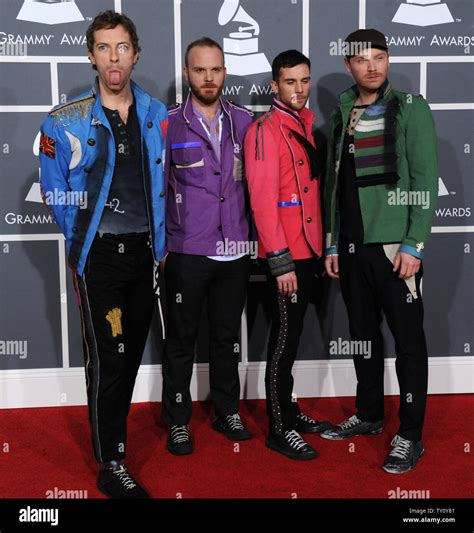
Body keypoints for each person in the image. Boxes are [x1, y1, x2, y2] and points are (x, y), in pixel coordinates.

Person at [39, 10, 168, 497]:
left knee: (130, 355)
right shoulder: (64, 120)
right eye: (103, 48)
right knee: (109, 359)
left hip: (145, 254)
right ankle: (110, 461)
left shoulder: (156, 113)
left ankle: (115, 445)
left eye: (123, 47)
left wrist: (163, 245)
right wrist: (86, 247)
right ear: (91, 56)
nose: (114, 58)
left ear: (135, 53)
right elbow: (56, 194)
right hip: (101, 261)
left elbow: (162, 183)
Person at [321, 29, 438, 474]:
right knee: (362, 338)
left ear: (387, 61)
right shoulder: (342, 113)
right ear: (349, 65)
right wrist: (333, 241)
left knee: (408, 344)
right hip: (351, 249)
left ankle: (410, 435)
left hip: (394, 249)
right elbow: (335, 186)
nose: (372, 66)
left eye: (379, 57)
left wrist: (415, 243)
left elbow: (425, 183)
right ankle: (369, 415)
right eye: (362, 59)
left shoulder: (411, 108)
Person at [162, 37, 254, 455]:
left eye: (215, 69)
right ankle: (178, 420)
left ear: (225, 72)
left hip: (235, 251)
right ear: (187, 74)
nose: (209, 77)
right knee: (180, 341)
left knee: (225, 338)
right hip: (186, 251)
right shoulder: (167, 124)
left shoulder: (246, 122)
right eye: (200, 70)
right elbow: (159, 189)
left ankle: (226, 410)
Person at [244, 50, 331, 461]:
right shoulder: (263, 130)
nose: (299, 89)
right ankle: (279, 428)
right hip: (287, 258)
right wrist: (280, 261)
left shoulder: (306, 126)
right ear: (274, 86)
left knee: (291, 337)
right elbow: (262, 202)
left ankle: (289, 413)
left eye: (304, 80)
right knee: (282, 341)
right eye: (290, 82)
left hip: (309, 249)